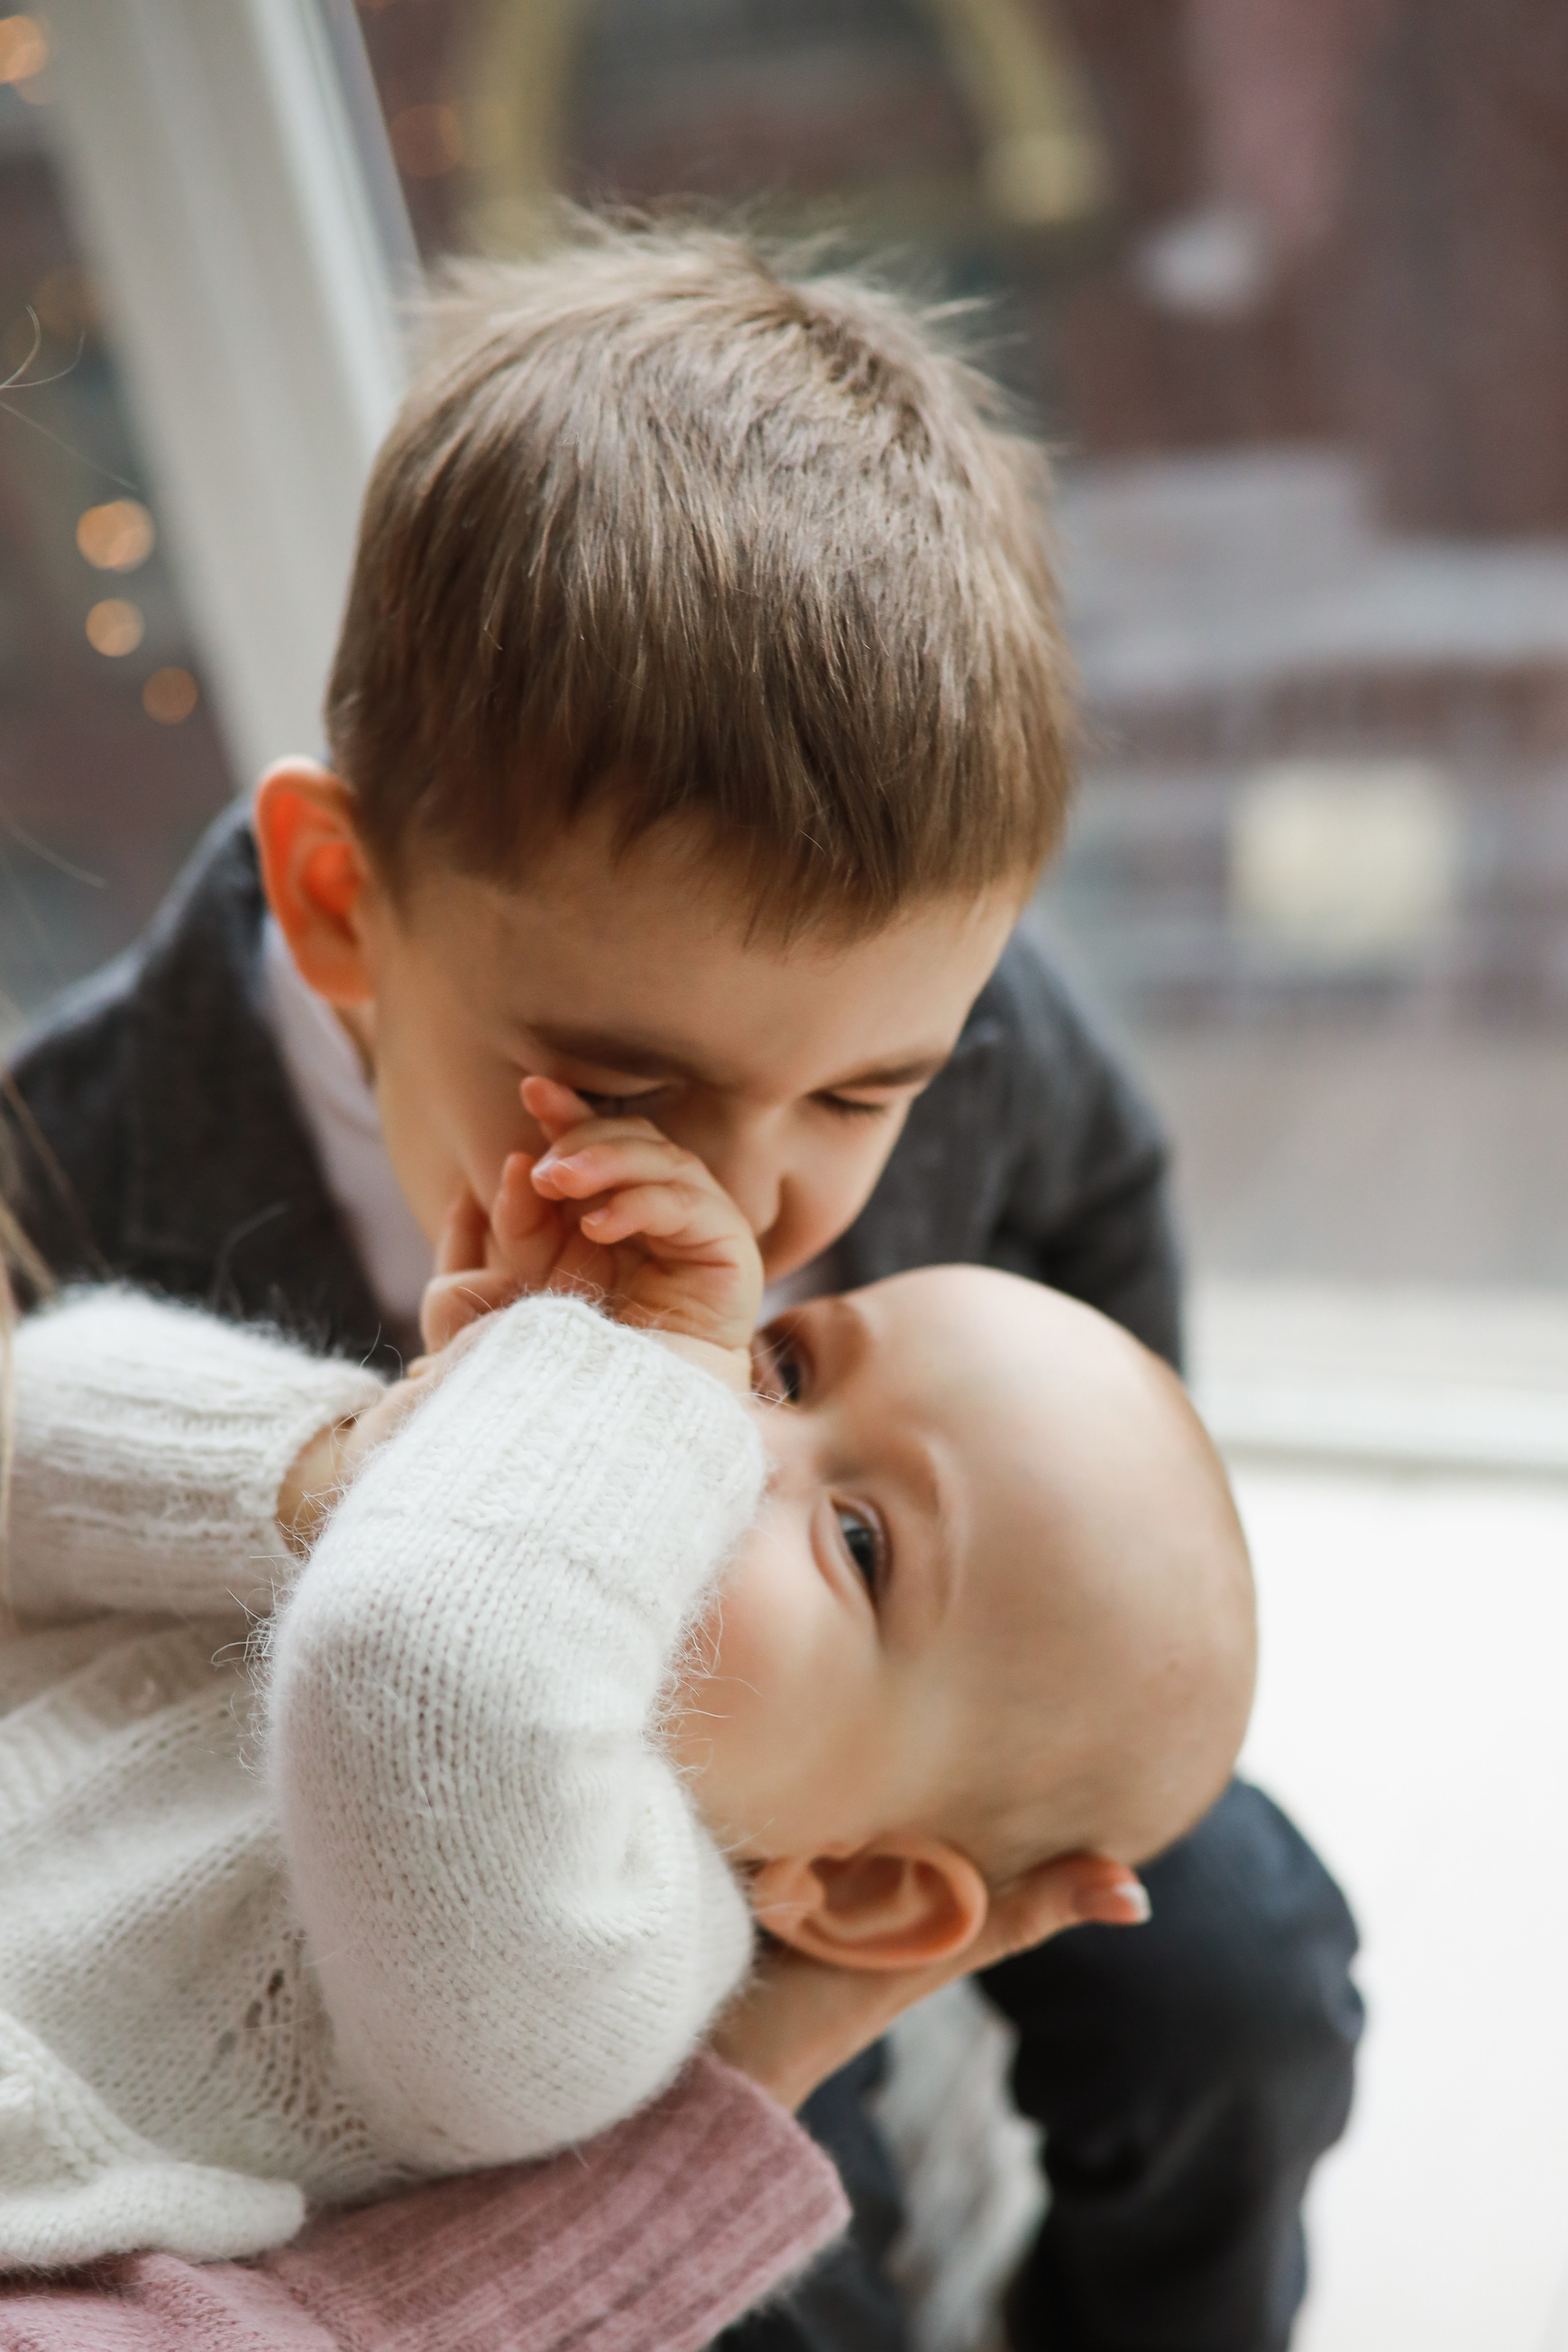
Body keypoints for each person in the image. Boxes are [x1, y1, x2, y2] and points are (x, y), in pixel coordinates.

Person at [5, 218, 1361, 2351]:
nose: (751, 1195)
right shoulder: (69, 1172)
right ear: (344, 905)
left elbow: (1092, 1239)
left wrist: (1027, 1661)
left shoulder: (948, 1024)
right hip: (460, 1946)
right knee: (789, 2257)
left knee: (1251, 1980)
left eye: (868, 1092)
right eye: (630, 1091)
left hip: (898, 1717)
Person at [0, 1082, 1251, 2274]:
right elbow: (26, 1417)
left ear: (862, 1886)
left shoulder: (620, 1963)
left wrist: (607, 1399)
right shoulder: (451, 1525)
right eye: (782, 1366)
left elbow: (429, 1679)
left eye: (860, 1542)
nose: (727, 1429)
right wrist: (360, 1458)